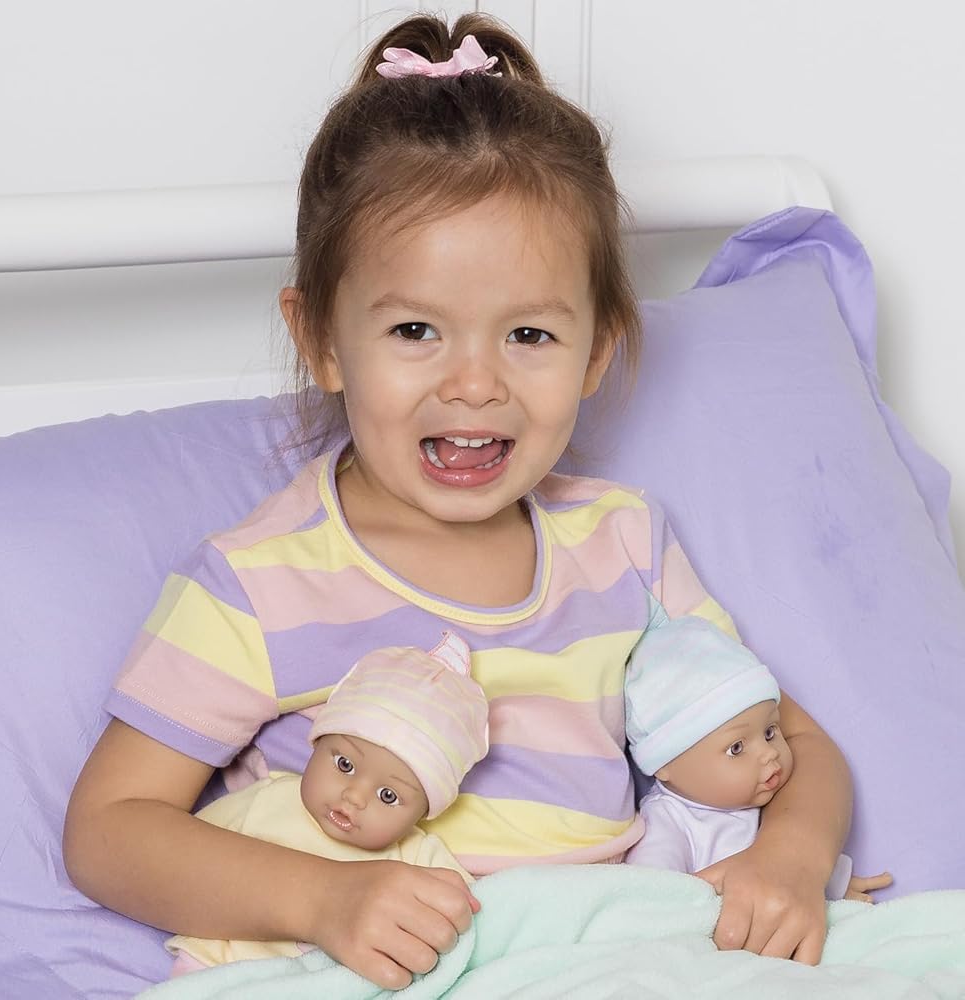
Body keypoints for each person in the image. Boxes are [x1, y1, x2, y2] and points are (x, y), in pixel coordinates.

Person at [62, 12, 855, 990]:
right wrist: (323, 899)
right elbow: (108, 830)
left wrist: (792, 857)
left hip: (594, 955)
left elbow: (795, 740)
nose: (475, 384)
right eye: (414, 331)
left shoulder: (623, 545)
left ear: (596, 351)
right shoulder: (261, 582)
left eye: (528, 336)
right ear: (321, 340)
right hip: (360, 968)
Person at [165, 631, 488, 976]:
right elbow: (183, 855)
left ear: (422, 813)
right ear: (317, 745)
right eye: (345, 765)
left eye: (388, 796)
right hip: (221, 963)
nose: (355, 796)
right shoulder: (268, 800)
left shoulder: (418, 858)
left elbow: (469, 912)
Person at [625, 612, 892, 902]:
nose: (769, 753)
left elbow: (794, 867)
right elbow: (653, 898)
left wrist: (834, 886)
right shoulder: (670, 823)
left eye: (769, 732)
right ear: (664, 764)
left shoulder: (763, 800)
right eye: (736, 748)